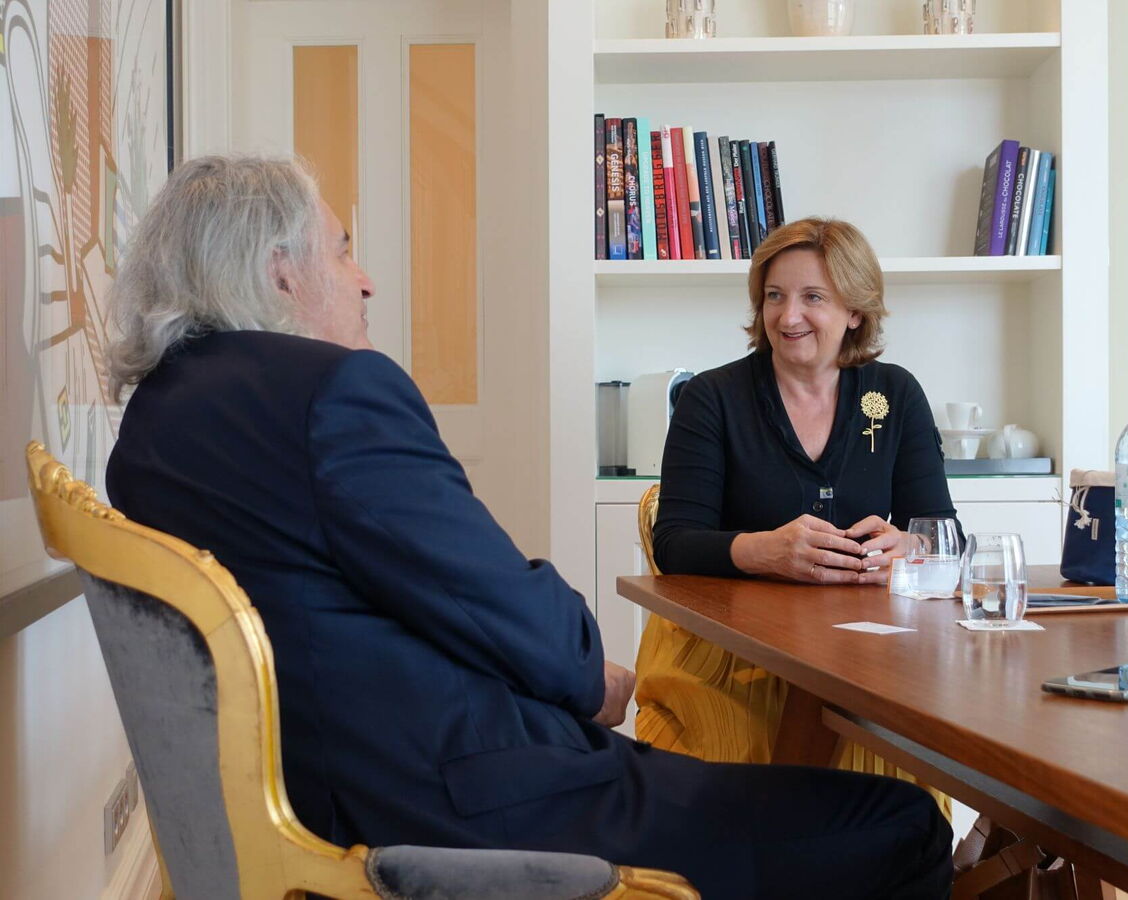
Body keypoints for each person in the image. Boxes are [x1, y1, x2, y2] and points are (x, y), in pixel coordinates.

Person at [104, 157, 951, 898]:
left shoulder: (154, 424)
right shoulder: (334, 395)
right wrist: (591, 678)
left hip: (338, 784)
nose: (364, 280)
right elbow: (494, 597)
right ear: (279, 272)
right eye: (342, 250)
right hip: (474, 807)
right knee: (899, 822)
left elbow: (404, 599)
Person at [637, 217, 959, 818]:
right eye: (775, 296)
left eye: (813, 297)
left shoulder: (892, 394)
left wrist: (908, 548)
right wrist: (766, 552)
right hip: (729, 656)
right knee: (752, 804)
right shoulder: (713, 398)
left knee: (902, 784)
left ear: (856, 311)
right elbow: (674, 543)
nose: (788, 317)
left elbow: (940, 530)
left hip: (864, 656)